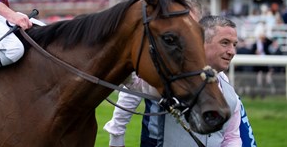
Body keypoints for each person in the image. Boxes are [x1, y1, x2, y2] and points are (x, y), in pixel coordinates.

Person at [104, 15, 257, 146]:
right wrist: (116, 133)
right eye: (225, 43)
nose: (232, 51)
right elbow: (136, 85)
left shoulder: (230, 93)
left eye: (234, 45)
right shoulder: (173, 79)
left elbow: (231, 137)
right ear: (200, 41)